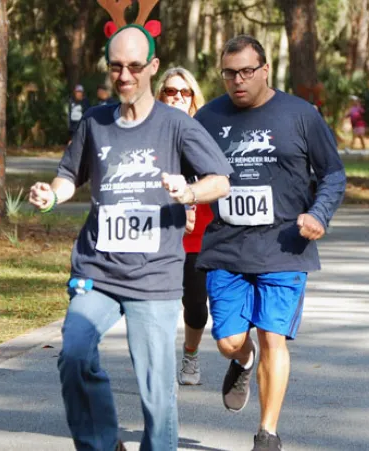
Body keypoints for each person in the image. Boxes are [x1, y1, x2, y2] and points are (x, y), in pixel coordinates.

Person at [29, 25, 232, 451]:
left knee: (157, 394)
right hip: (97, 270)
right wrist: (51, 195)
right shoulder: (95, 121)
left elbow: (221, 181)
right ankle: (102, 443)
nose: (125, 76)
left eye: (135, 66)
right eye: (116, 66)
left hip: (154, 276)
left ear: (152, 68)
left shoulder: (176, 125)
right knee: (75, 356)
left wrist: (190, 191)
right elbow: (70, 176)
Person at [194, 35, 346, 451]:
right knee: (228, 343)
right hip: (227, 247)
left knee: (271, 337)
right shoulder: (207, 118)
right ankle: (241, 362)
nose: (238, 80)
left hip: (284, 246)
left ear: (265, 70)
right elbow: (190, 174)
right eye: (230, 73)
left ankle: (268, 433)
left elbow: (333, 173)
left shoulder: (300, 115)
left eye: (246, 71)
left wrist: (318, 214)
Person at [155, 67, 211, 385]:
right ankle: (159, 363)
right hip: (160, 233)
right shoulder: (148, 132)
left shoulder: (204, 133)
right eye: (171, 91)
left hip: (197, 235)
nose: (177, 96)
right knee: (158, 302)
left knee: (195, 305)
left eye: (184, 92)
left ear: (193, 98)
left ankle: (190, 355)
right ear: (160, 95)